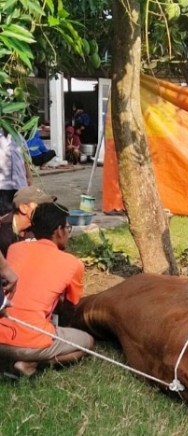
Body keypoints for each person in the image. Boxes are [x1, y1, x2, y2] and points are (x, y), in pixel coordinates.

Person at [0, 202, 94, 377]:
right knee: (87, 342)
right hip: (31, 342)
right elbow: (70, 307)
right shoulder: (73, 263)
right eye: (68, 227)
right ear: (59, 231)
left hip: (1, 331)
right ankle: (31, 363)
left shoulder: (14, 248)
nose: (68, 233)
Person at [0, 186, 55, 257]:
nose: (45, 209)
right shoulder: (2, 231)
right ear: (23, 208)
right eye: (40, 206)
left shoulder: (41, 227)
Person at [0, 129, 32, 216]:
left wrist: (29, 177)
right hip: (4, 187)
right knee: (6, 215)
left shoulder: (19, 137)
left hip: (20, 185)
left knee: (21, 214)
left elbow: (26, 159)